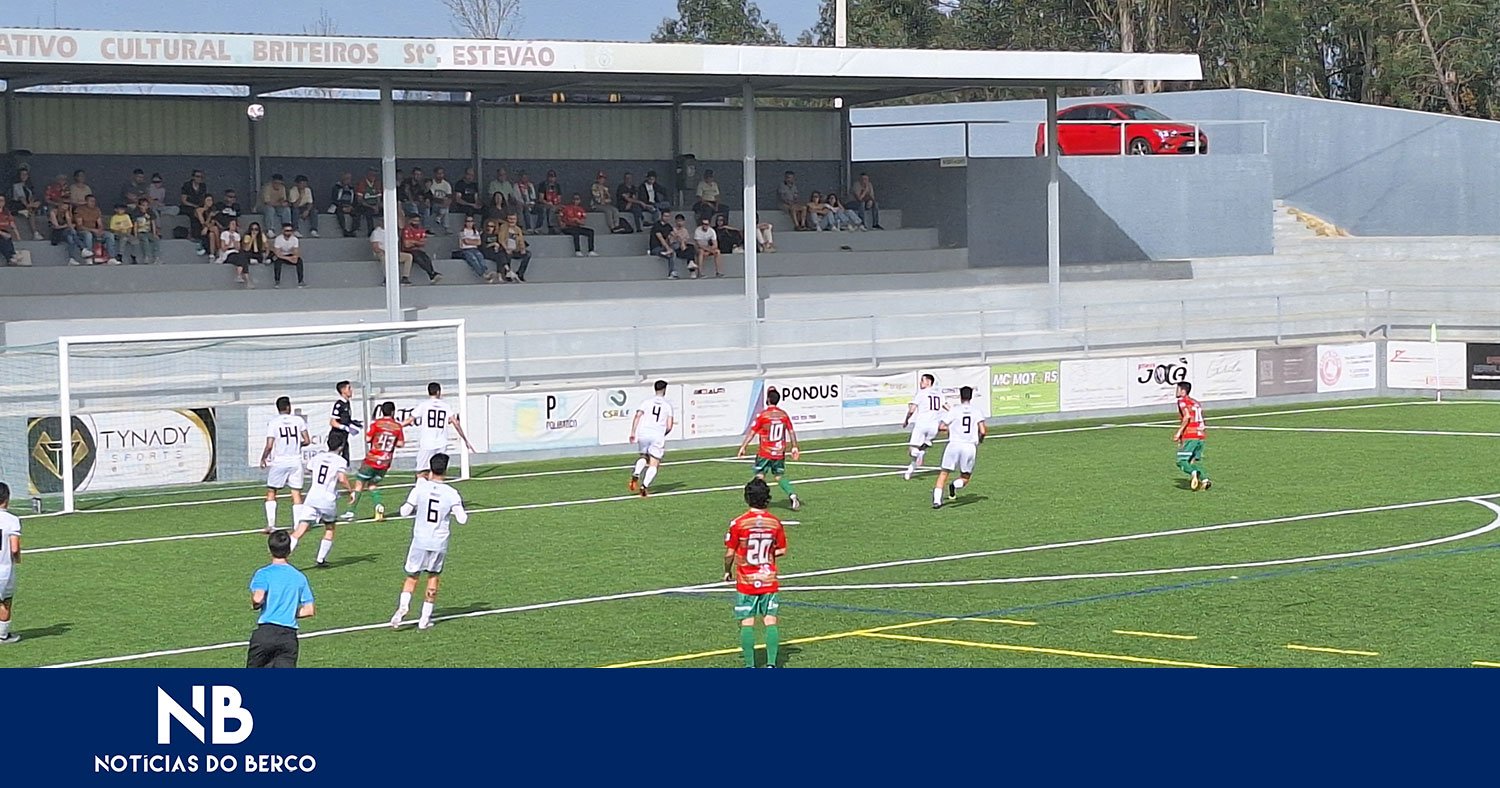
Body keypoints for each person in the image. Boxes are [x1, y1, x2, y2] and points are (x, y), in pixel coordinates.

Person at [390, 453, 468, 631]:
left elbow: (404, 511)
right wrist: (452, 510)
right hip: (439, 542)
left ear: (430, 468)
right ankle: (424, 619)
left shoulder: (420, 488)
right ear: (446, 470)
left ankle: (403, 607)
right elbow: (463, 519)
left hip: (420, 539)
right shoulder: (451, 493)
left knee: (412, 576)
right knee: (433, 576)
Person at [722, 479, 787, 668]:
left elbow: (729, 554)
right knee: (770, 619)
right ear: (767, 498)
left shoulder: (739, 523)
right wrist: (767, 554)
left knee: (747, 621)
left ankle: (750, 665)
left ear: (747, 498)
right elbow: (782, 550)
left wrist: (727, 571)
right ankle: (771, 664)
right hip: (768, 578)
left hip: (746, 579)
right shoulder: (774, 522)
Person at [247, 530, 315, 668]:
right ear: (289, 549)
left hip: (266, 633)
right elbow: (309, 610)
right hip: (288, 637)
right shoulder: (299, 577)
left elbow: (258, 598)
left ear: (270, 549)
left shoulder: (264, 573)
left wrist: (255, 604)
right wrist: (289, 610)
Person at [289, 432, 351, 566]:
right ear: (341, 446)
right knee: (329, 528)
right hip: (326, 499)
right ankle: (320, 559)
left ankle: (283, 557)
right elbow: (341, 478)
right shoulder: (340, 461)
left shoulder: (318, 457)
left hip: (312, 497)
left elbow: (310, 469)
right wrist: (350, 491)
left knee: (300, 529)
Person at [737, 388, 801, 511]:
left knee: (760, 475)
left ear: (768, 400)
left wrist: (743, 446)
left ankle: (758, 501)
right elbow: (791, 431)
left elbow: (752, 433)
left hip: (765, 452)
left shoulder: (763, 415)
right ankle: (792, 495)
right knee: (779, 476)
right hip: (779, 452)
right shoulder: (783, 415)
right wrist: (794, 446)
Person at [346, 401, 404, 522]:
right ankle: (378, 505)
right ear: (393, 412)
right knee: (372, 485)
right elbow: (400, 443)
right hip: (385, 463)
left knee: (359, 484)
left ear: (382, 411)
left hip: (372, 460)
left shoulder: (377, 424)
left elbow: (367, 438)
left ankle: (350, 512)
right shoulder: (397, 426)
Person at [260, 396, 311, 534]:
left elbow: (269, 445)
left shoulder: (274, 422)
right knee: (296, 493)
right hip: (295, 461)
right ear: (289, 407)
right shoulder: (298, 420)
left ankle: (271, 525)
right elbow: (307, 440)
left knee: (272, 492)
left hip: (280, 461)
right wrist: (296, 445)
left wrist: (263, 458)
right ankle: (297, 526)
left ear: (278, 408)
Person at [932, 386, 987, 509]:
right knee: (965, 476)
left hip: (954, 445)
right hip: (969, 446)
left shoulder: (954, 410)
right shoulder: (976, 411)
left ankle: (937, 501)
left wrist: (951, 429)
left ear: (960, 396)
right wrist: (980, 440)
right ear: (971, 396)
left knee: (944, 473)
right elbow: (983, 431)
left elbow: (941, 427)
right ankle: (954, 485)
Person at [408, 382, 475, 479]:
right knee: (438, 472)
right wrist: (465, 439)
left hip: (427, 443)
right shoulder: (445, 406)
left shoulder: (424, 405)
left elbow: (410, 420)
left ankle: (421, 490)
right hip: (441, 443)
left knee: (422, 471)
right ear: (439, 392)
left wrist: (396, 426)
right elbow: (455, 423)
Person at [628, 379, 675, 497]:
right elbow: (669, 426)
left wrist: (633, 432)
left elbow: (637, 416)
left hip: (643, 433)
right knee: (654, 463)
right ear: (664, 390)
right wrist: (662, 435)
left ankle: (637, 472)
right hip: (657, 435)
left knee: (644, 456)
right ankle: (644, 486)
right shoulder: (667, 406)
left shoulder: (646, 402)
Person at [902, 373, 947, 481]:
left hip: (922, 425)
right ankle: (910, 471)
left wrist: (906, 420)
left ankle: (917, 453)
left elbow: (912, 410)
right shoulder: (939, 394)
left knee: (912, 450)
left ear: (928, 382)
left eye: (922, 381)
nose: (920, 383)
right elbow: (947, 406)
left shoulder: (921, 393)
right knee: (922, 448)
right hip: (933, 427)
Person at [1175, 381, 1212, 490]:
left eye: (1177, 389)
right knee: (1191, 460)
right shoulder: (1195, 403)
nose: (1175, 392)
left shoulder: (1182, 401)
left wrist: (1179, 432)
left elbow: (1186, 417)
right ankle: (1205, 479)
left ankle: (1193, 472)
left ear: (1183, 391)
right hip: (1200, 436)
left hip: (1190, 435)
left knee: (1181, 461)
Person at [0, 483, 20, 645]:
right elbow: (14, 548)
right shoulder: (12, 520)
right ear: (6, 499)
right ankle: (3, 635)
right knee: (5, 601)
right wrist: (18, 558)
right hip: (4, 569)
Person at [371, 219, 414, 285]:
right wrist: (385, 252)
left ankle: (405, 277)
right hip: (381, 252)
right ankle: (387, 277)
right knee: (385, 258)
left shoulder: (392, 231)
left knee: (408, 257)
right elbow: (375, 247)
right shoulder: (376, 232)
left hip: (392, 253)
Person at [401, 213, 442, 284]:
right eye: (414, 221)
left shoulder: (420, 230)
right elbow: (406, 244)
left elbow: (423, 243)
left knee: (426, 257)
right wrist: (417, 242)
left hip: (417, 250)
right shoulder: (406, 229)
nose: (416, 223)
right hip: (406, 251)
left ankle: (432, 274)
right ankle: (432, 274)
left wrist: (412, 241)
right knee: (418, 257)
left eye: (417, 221)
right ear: (410, 221)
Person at [327, 380, 360, 463]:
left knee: (345, 460)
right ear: (343, 390)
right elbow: (333, 422)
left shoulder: (347, 403)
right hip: (337, 436)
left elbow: (344, 419)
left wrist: (353, 423)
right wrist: (345, 427)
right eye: (349, 388)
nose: (351, 390)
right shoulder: (339, 404)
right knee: (334, 459)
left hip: (344, 436)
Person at [456, 215, 493, 282]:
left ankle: (485, 271)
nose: (470, 223)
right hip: (465, 249)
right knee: (473, 258)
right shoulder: (462, 231)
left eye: (471, 221)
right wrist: (473, 241)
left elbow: (479, 242)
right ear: (465, 223)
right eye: (468, 221)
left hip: (474, 249)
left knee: (480, 256)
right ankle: (482, 274)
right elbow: (466, 242)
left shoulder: (476, 231)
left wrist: (470, 240)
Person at [10, 167, 45, 240]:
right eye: (22, 174)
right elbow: (21, 198)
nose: (24, 176)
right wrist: (29, 205)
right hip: (17, 206)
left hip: (28, 205)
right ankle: (35, 233)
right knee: (31, 212)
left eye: (26, 174)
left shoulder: (28, 186)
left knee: (37, 204)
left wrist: (35, 203)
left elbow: (31, 197)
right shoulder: (16, 186)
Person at [180, 170, 209, 254]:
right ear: (193, 177)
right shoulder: (187, 185)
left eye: (201, 177)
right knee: (193, 214)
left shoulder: (203, 186)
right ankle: (195, 235)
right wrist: (194, 206)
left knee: (202, 213)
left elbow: (204, 198)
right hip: (188, 206)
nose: (199, 178)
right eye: (197, 176)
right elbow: (183, 200)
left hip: (199, 206)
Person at [648, 213, 684, 279]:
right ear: (661, 216)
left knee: (674, 249)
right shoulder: (656, 225)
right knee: (671, 253)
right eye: (665, 216)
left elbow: (672, 236)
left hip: (665, 248)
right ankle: (672, 272)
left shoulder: (668, 226)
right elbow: (661, 238)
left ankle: (672, 272)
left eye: (668, 216)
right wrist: (668, 248)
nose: (667, 218)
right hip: (656, 248)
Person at [218, 217, 251, 287]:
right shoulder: (224, 234)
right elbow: (223, 248)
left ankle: (240, 276)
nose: (234, 226)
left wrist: (234, 241)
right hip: (227, 253)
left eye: (235, 224)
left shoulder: (237, 235)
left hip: (235, 252)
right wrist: (230, 242)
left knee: (242, 258)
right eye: (232, 224)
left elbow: (238, 248)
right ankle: (247, 280)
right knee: (242, 259)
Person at [271, 222, 305, 288]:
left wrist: (294, 257)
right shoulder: (278, 239)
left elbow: (296, 252)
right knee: (277, 262)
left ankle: (300, 281)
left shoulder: (295, 239)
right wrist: (289, 259)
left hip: (290, 255)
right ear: (282, 231)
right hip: (281, 256)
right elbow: (277, 253)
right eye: (287, 231)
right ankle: (277, 281)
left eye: (290, 231)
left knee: (299, 261)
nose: (289, 232)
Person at [500, 213, 531, 282]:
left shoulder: (518, 229)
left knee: (528, 254)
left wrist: (522, 248)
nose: (512, 221)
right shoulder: (503, 227)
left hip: (515, 249)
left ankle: (520, 274)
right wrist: (506, 248)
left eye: (513, 219)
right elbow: (501, 239)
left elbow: (521, 240)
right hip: (506, 248)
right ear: (507, 219)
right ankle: (508, 274)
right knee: (507, 254)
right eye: (510, 219)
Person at [74, 194, 105, 264]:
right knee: (88, 235)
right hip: (82, 231)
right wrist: (93, 230)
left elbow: (100, 223)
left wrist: (100, 230)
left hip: (95, 230)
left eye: (94, 201)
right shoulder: (79, 209)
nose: (93, 203)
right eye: (91, 201)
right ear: (86, 201)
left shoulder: (97, 210)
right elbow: (79, 226)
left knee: (109, 235)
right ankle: (89, 258)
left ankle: (110, 258)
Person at [131, 197, 162, 265]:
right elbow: (135, 225)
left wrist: (154, 233)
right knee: (145, 240)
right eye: (143, 205)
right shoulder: (135, 213)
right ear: (139, 206)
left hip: (148, 232)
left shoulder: (150, 212)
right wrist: (135, 235)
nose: (145, 207)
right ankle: (147, 257)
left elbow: (153, 223)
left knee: (156, 239)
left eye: (146, 205)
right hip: (140, 232)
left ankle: (157, 257)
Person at [355, 170, 382, 235]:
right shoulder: (362, 183)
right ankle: (370, 232)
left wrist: (377, 206)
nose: (373, 177)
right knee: (368, 212)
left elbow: (378, 197)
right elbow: (360, 200)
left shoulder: (377, 183)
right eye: (372, 175)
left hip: (375, 205)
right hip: (365, 205)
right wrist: (372, 207)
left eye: (375, 175)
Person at [330, 172, 357, 237]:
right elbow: (334, 199)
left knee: (357, 214)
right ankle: (344, 230)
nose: (348, 180)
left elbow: (355, 200)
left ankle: (353, 230)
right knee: (340, 214)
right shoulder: (336, 187)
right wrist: (342, 207)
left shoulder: (352, 188)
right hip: (339, 206)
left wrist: (351, 207)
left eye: (349, 179)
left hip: (349, 206)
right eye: (346, 179)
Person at [427, 167, 453, 233]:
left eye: (442, 173)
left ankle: (444, 223)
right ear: (435, 174)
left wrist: (446, 203)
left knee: (446, 208)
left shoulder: (446, 184)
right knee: (444, 208)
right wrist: (442, 201)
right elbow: (432, 197)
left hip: (444, 204)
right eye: (438, 173)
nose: (440, 175)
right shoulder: (431, 183)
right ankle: (441, 222)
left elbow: (449, 196)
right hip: (434, 204)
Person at [0, 197, 18, 265]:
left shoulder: (6, 212)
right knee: (3, 239)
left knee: (7, 237)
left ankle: (12, 254)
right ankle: (9, 257)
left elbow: (12, 222)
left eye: (2, 201)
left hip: (4, 231)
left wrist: (17, 234)